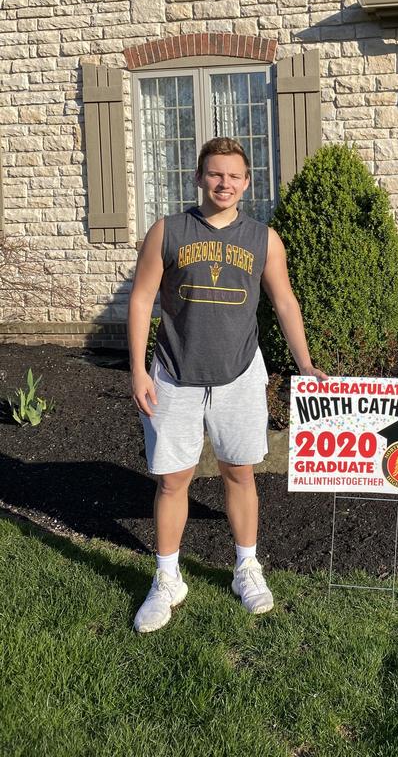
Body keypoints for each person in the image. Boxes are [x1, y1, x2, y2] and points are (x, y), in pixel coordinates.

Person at [128, 136, 326, 633]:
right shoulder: (168, 231)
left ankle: (246, 567)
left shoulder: (264, 239)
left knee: (240, 474)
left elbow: (284, 302)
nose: (224, 183)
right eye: (215, 174)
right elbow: (142, 298)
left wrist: (304, 364)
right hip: (175, 375)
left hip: (239, 375)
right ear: (199, 177)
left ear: (247, 183)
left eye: (234, 176)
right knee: (173, 480)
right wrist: (138, 369)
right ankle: (167, 578)